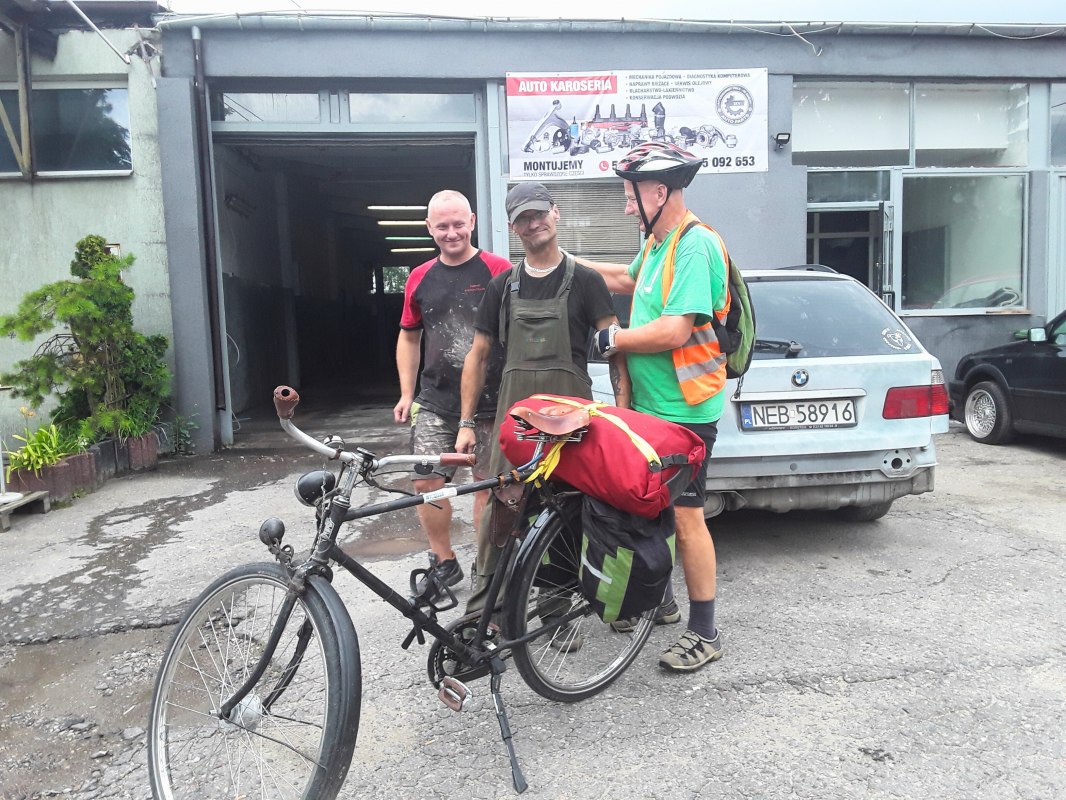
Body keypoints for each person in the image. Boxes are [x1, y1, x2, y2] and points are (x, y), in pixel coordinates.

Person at [577, 141, 728, 672]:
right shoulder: (659, 243)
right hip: (654, 407)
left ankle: (704, 632)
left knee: (686, 517)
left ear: (658, 193)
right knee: (649, 505)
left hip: (686, 412)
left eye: (629, 196)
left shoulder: (694, 246)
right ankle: (658, 601)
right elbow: (626, 279)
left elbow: (674, 329)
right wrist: (564, 261)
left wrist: (613, 340)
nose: (625, 207)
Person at [455, 182, 628, 617]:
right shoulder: (502, 287)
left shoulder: (586, 281)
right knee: (503, 507)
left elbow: (614, 350)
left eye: (538, 214)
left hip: (573, 419)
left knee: (569, 508)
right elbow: (477, 358)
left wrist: (622, 414)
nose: (533, 224)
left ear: (555, 213)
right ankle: (484, 609)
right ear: (514, 229)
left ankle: (555, 601)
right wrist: (464, 422)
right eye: (522, 219)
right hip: (515, 421)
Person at [394, 189, 511, 602]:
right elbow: (409, 337)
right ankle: (444, 562)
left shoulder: (500, 270)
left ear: (473, 222)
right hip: (436, 402)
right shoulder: (420, 277)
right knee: (427, 481)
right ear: (429, 228)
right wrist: (408, 393)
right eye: (442, 225)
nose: (451, 232)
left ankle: (485, 566)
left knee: (486, 488)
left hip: (492, 404)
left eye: (458, 223)